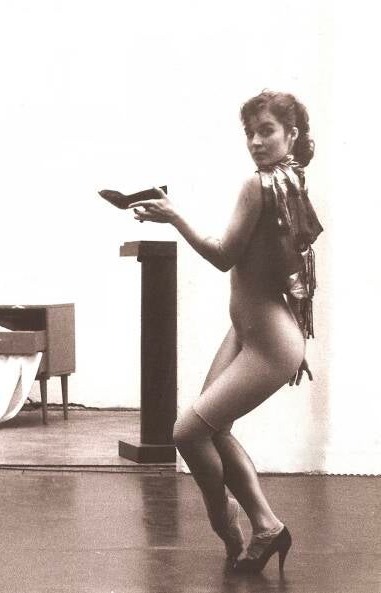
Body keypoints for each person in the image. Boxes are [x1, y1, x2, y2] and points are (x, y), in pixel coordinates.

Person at [127, 91, 322, 573]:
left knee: (187, 432)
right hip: (254, 332)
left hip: (267, 341)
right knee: (209, 429)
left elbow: (222, 256)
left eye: (266, 131)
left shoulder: (261, 185)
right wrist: (299, 333)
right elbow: (292, 269)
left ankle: (232, 520)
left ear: (291, 135)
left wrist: (174, 216)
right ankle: (265, 527)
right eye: (249, 133)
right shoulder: (291, 181)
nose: (255, 142)